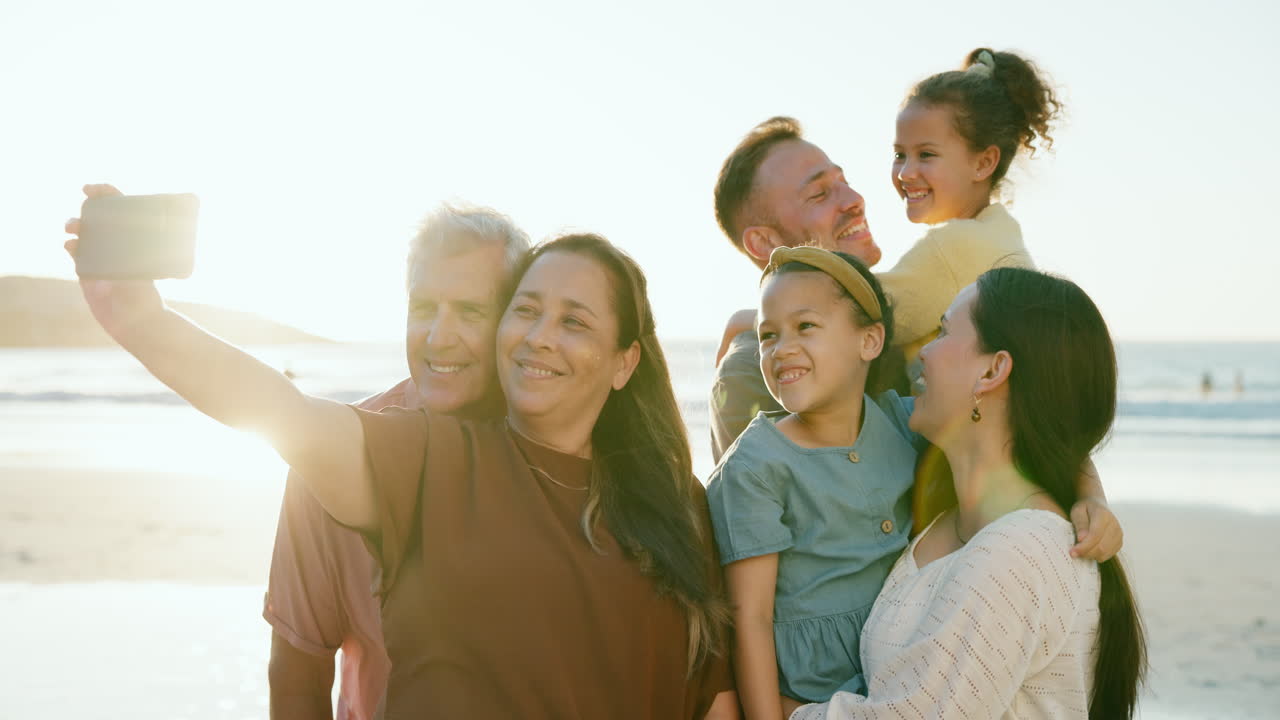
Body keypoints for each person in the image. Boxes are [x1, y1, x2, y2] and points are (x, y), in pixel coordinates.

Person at [65, 186, 736, 718]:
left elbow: (710, 696)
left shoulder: (674, 503)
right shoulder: (426, 460)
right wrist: (140, 320)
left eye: (574, 321)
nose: (538, 337)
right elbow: (281, 412)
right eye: (528, 311)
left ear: (625, 362)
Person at [707, 249, 1116, 720]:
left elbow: (1051, 429)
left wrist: (1092, 497)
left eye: (943, 332)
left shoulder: (904, 434)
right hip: (809, 677)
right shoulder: (761, 464)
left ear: (992, 371)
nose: (921, 351)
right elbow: (750, 616)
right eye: (767, 335)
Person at [708, 117, 1119, 559]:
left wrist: (1090, 496)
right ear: (764, 242)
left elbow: (1021, 413)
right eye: (819, 194)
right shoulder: (756, 372)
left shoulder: (898, 334)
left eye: (844, 182)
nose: (854, 200)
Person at [264, 204, 529, 720]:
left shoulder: (557, 447)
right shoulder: (336, 461)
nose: (439, 337)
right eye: (424, 308)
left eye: (471, 311)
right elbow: (296, 675)